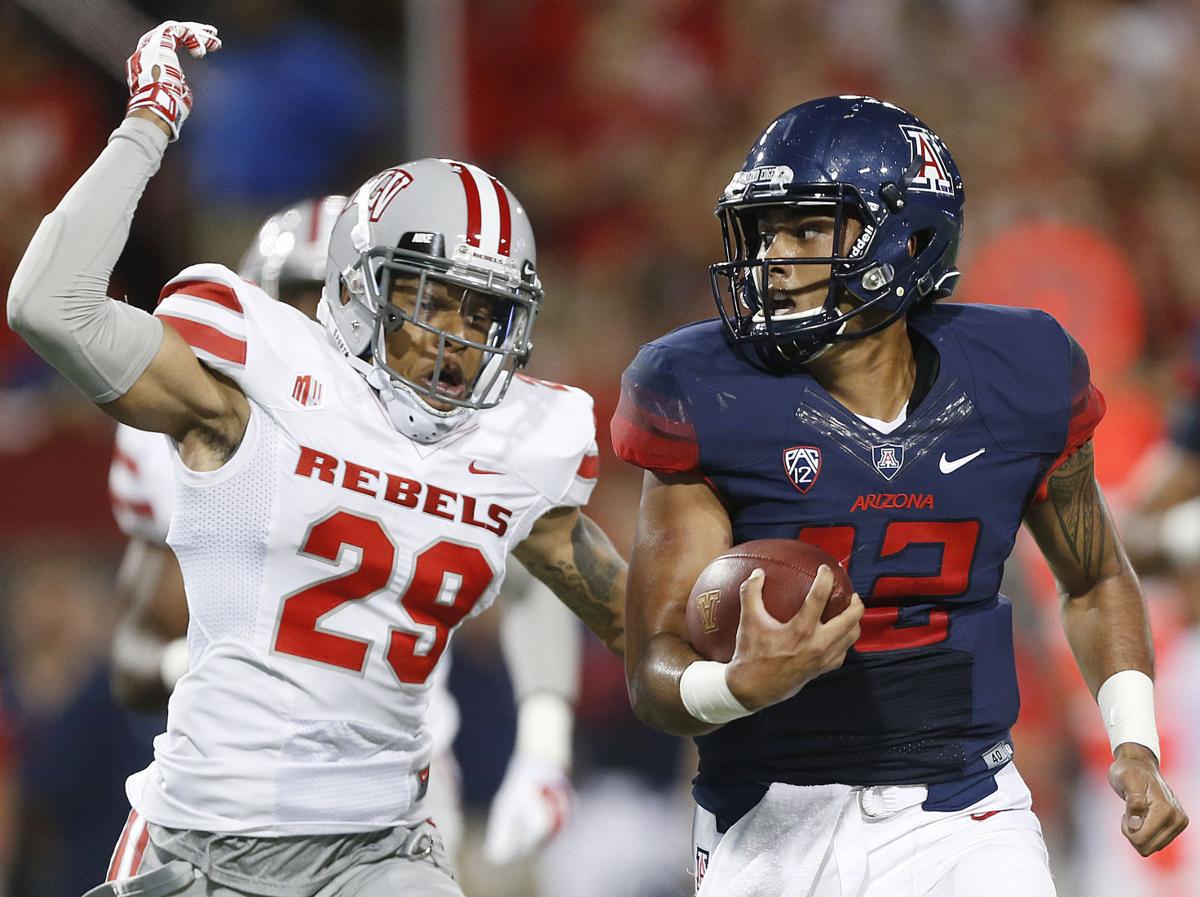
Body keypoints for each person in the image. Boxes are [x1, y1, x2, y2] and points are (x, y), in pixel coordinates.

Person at [7, 21, 625, 897]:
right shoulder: (253, 380)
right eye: (432, 301)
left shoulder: (518, 442)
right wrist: (146, 123)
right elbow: (47, 306)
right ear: (356, 288)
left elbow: (633, 623)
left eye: (482, 314)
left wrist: (727, 674)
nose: (456, 338)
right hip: (204, 836)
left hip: (382, 841)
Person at [610, 95, 1187, 896]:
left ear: (908, 238)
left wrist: (1134, 742)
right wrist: (736, 685)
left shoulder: (1020, 372)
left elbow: (1094, 578)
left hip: (965, 809)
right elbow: (653, 668)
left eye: (805, 229)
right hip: (770, 815)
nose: (771, 256)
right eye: (764, 229)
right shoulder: (704, 389)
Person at [107, 195, 582, 866]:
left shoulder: (440, 426)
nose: (318, 329)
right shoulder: (197, 422)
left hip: (393, 793)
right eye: (297, 306)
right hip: (233, 797)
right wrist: (174, 663)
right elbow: (133, 647)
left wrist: (544, 746)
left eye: (335, 302)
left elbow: (540, 564)